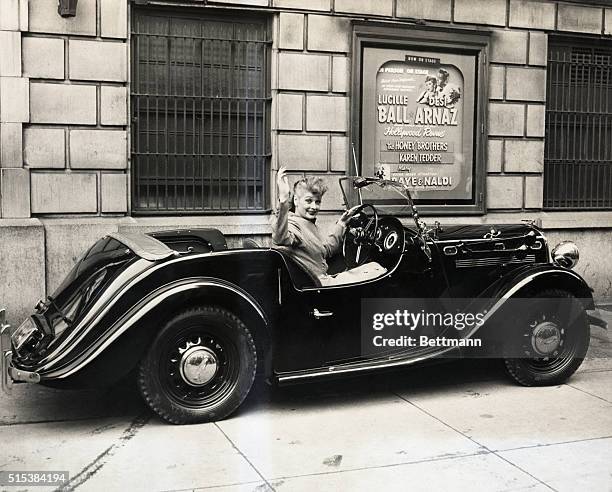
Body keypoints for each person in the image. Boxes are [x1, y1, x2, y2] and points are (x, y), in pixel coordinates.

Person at [271, 166, 386, 286]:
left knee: (374, 267)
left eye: (318, 201)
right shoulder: (293, 223)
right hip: (317, 286)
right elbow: (280, 238)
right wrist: (283, 201)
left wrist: (342, 223)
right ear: (296, 200)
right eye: (308, 201)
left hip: (319, 283)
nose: (314, 207)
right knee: (377, 270)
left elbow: (325, 250)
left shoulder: (308, 224)